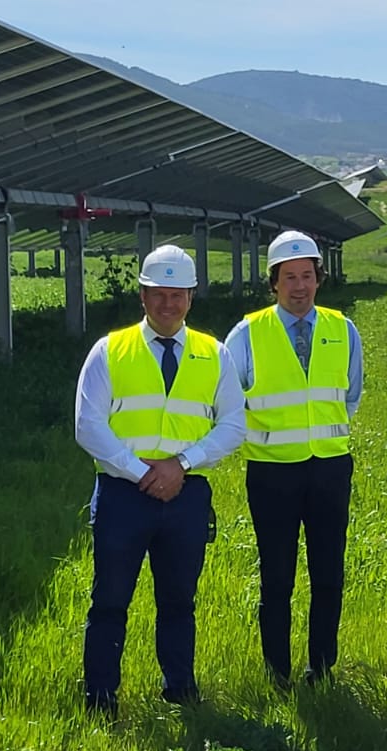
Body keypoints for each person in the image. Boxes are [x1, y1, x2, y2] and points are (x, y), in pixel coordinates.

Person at [74, 244, 246, 715]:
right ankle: (101, 698)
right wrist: (143, 472)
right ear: (143, 296)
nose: (167, 304)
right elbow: (87, 425)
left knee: (178, 601)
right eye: (158, 294)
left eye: (177, 295)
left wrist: (182, 464)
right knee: (109, 600)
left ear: (191, 297)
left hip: (186, 495)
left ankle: (179, 690)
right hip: (122, 496)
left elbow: (234, 423)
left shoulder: (214, 354)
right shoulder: (110, 350)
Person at [224, 230, 364, 687]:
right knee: (277, 577)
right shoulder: (246, 334)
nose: (299, 286)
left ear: (319, 279)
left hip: (328, 468)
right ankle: (277, 671)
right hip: (271, 473)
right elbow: (228, 402)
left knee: (328, 574)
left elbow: (351, 395)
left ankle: (321, 667)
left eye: (307, 276)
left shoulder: (344, 330)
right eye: (289, 277)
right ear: (274, 282)